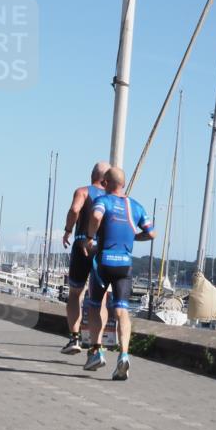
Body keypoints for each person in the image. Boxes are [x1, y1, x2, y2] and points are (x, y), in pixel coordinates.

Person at [81, 166, 155, 378]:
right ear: (123, 184)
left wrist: (90, 237)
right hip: (125, 264)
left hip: (103, 262)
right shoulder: (136, 206)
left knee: (96, 306)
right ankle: (123, 355)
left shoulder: (103, 201)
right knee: (122, 311)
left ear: (105, 184)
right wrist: (134, 238)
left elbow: (96, 217)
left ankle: (97, 351)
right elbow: (152, 233)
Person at [59, 162, 112, 355]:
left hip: (82, 246)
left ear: (92, 175)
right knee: (101, 300)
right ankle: (97, 346)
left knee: (75, 294)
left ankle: (74, 338)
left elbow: (74, 210)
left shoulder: (82, 191)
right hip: (104, 250)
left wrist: (67, 230)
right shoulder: (112, 198)